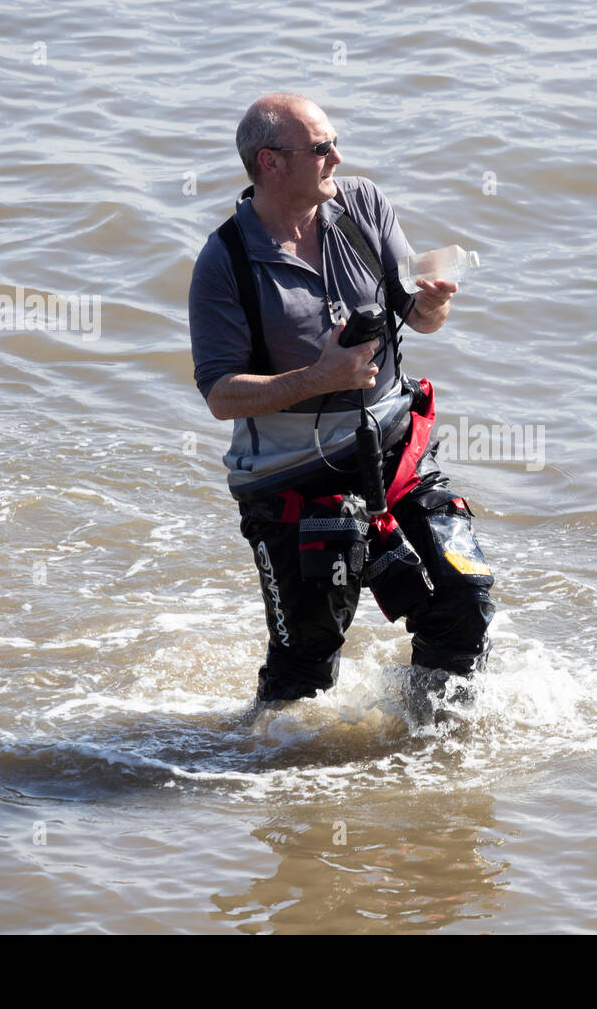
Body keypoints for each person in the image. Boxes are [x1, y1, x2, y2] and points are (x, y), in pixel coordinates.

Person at [188, 93, 495, 704]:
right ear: (271, 163)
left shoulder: (362, 204)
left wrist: (431, 306)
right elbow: (221, 395)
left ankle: (432, 746)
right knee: (308, 656)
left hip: (391, 450)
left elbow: (415, 313)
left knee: (464, 596)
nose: (338, 157)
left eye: (334, 143)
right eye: (322, 148)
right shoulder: (223, 263)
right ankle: (272, 773)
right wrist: (317, 378)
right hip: (289, 476)